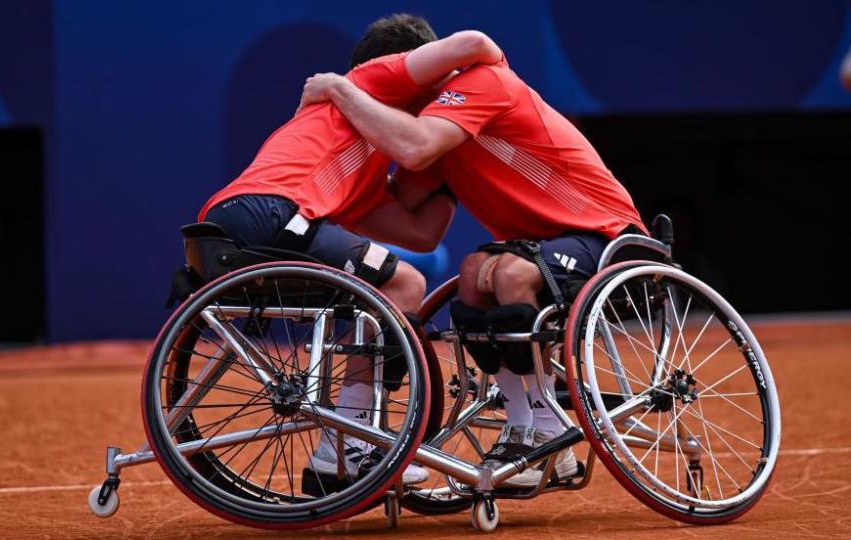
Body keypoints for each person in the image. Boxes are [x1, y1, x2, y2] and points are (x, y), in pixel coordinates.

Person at [299, 46, 647, 488]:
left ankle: (547, 426)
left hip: (605, 232)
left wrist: (340, 91)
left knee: (508, 273)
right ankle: (527, 425)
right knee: (471, 273)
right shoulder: (436, 129)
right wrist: (313, 195)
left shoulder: (483, 83)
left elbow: (414, 143)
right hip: (532, 249)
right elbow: (409, 224)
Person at [198, 14, 503, 490]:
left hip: (236, 223)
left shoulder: (358, 171)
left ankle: (347, 441)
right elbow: (475, 42)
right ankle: (347, 445)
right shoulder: (371, 78)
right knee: (406, 284)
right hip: (270, 215)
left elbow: (421, 234)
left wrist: (453, 165)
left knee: (389, 284)